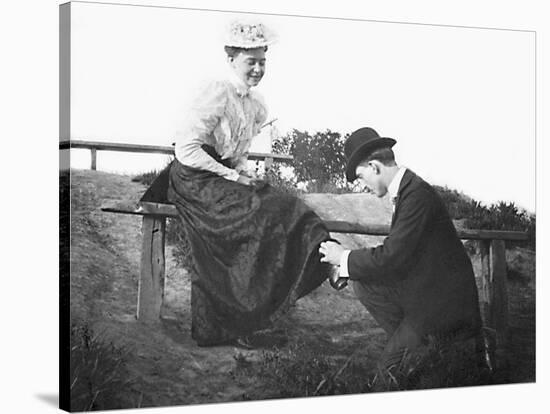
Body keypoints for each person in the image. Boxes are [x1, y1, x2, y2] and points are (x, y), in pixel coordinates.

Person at [161, 20, 340, 349]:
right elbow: (186, 151)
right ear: (231, 60)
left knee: (285, 206)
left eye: (262, 62)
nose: (257, 69)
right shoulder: (215, 92)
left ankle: (324, 257)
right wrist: (234, 176)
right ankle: (238, 320)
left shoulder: (255, 105)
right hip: (193, 179)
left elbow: (238, 153)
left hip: (222, 174)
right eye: (250, 62)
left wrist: (245, 171)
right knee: (258, 218)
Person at [319, 127, 482, 379]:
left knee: (387, 376)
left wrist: (342, 257)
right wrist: (348, 267)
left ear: (374, 167)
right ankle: (414, 347)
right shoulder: (408, 190)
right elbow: (398, 256)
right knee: (363, 284)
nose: (363, 186)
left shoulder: (416, 196)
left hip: (443, 310)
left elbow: (393, 257)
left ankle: (419, 349)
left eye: (362, 177)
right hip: (428, 293)